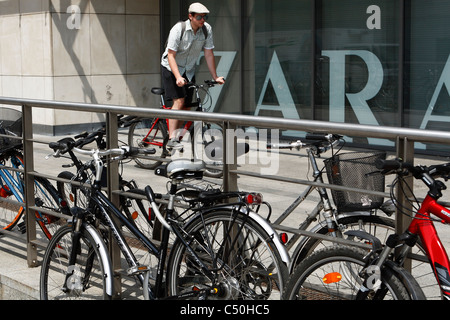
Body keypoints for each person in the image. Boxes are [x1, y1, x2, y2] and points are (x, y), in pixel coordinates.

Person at [161, 2, 225, 150]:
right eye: (199, 17)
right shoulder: (178, 29)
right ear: (190, 16)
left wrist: (215, 77)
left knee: (188, 106)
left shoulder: (206, 30)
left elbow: (209, 54)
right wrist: (177, 76)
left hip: (189, 70)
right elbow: (171, 55)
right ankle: (172, 139)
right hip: (171, 68)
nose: (203, 20)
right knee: (179, 101)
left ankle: (178, 134)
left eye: (205, 17)